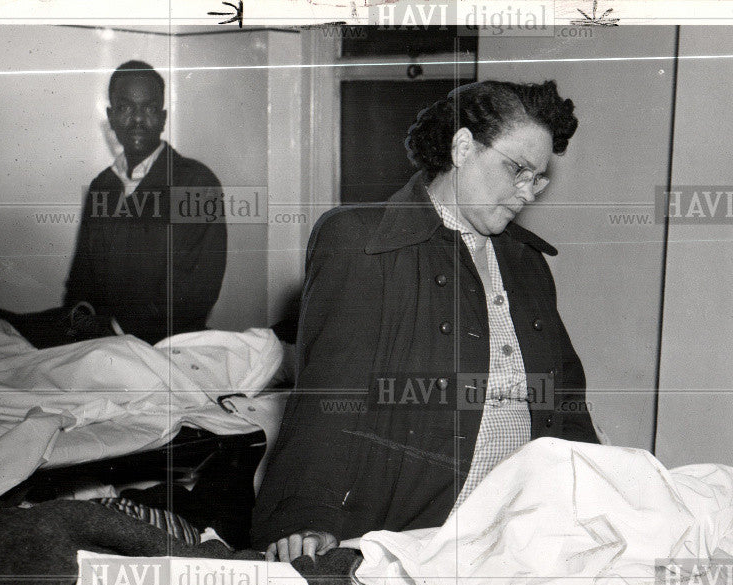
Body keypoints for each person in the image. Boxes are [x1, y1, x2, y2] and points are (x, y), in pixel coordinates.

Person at [252, 80, 598, 560]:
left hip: (524, 529)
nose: (528, 193)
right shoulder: (363, 242)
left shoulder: (527, 264)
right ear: (462, 147)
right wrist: (305, 519)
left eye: (538, 179)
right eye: (517, 170)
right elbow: (330, 398)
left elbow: (567, 404)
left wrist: (600, 501)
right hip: (422, 533)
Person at [353, 439, 733, 585]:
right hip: (652, 495)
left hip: (668, 534)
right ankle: (458, 562)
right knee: (554, 470)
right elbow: (663, 486)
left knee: (560, 492)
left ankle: (446, 571)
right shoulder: (730, 483)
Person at [63, 61, 227, 344]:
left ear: (163, 119)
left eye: (149, 108)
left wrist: (112, 330)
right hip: (100, 345)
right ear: (111, 117)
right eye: (126, 108)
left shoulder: (195, 183)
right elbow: (80, 283)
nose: (138, 119)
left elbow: (193, 296)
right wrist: (81, 327)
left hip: (166, 349)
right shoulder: (101, 186)